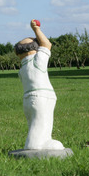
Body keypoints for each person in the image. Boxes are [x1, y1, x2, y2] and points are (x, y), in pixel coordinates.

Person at [14, 20, 64, 150]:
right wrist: (36, 29)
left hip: (29, 99)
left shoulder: (22, 68)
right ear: (34, 48)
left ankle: (44, 143)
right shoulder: (37, 60)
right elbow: (47, 44)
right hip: (42, 97)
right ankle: (33, 147)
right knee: (41, 124)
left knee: (38, 125)